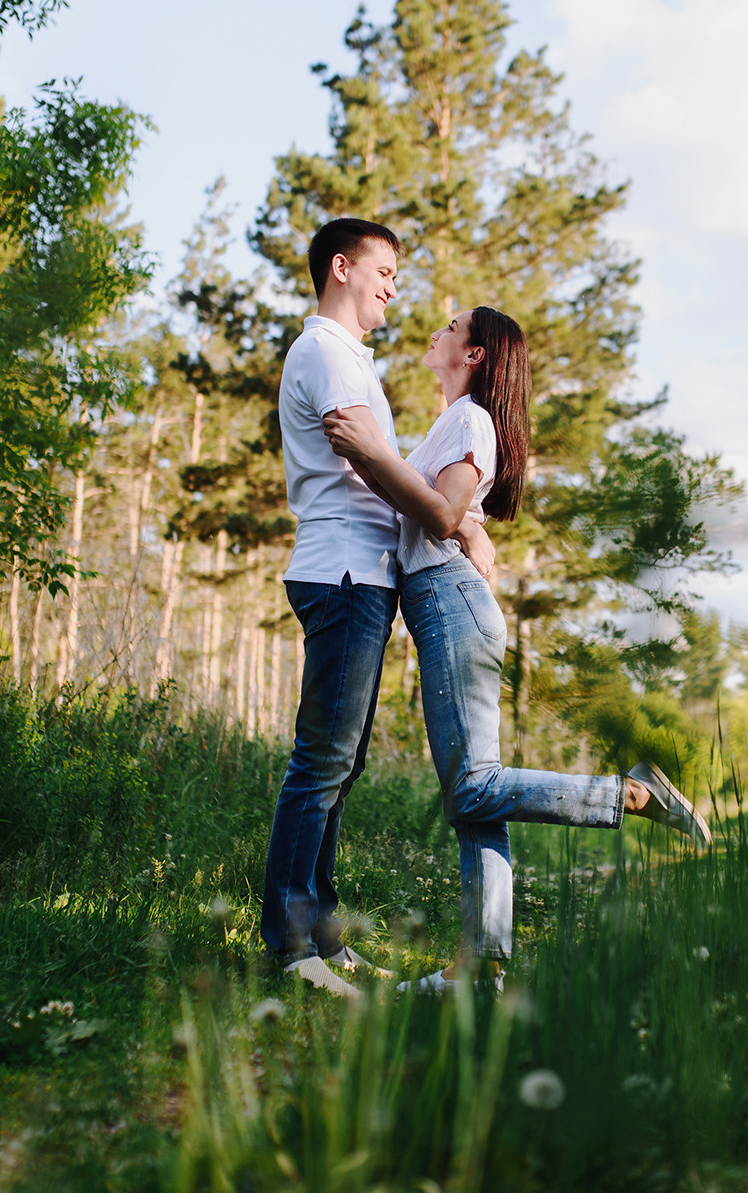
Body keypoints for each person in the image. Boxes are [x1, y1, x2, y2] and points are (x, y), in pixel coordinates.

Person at [324, 304, 710, 992]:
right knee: (476, 798)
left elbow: (441, 510)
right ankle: (481, 966)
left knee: (473, 787)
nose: (437, 331)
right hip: (444, 603)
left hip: (449, 604)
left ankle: (629, 794)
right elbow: (446, 511)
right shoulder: (456, 421)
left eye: (451, 327)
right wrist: (461, 521)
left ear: (474, 354)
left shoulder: (471, 419)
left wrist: (377, 456)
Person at [258, 217, 496, 998]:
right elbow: (362, 456)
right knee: (320, 761)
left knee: (340, 763)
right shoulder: (325, 352)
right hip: (345, 573)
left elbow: (383, 462)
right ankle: (293, 948)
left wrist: (459, 518)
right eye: (384, 268)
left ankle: (323, 933)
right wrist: (450, 517)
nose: (395, 283)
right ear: (341, 268)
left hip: (363, 575)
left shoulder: (351, 358)